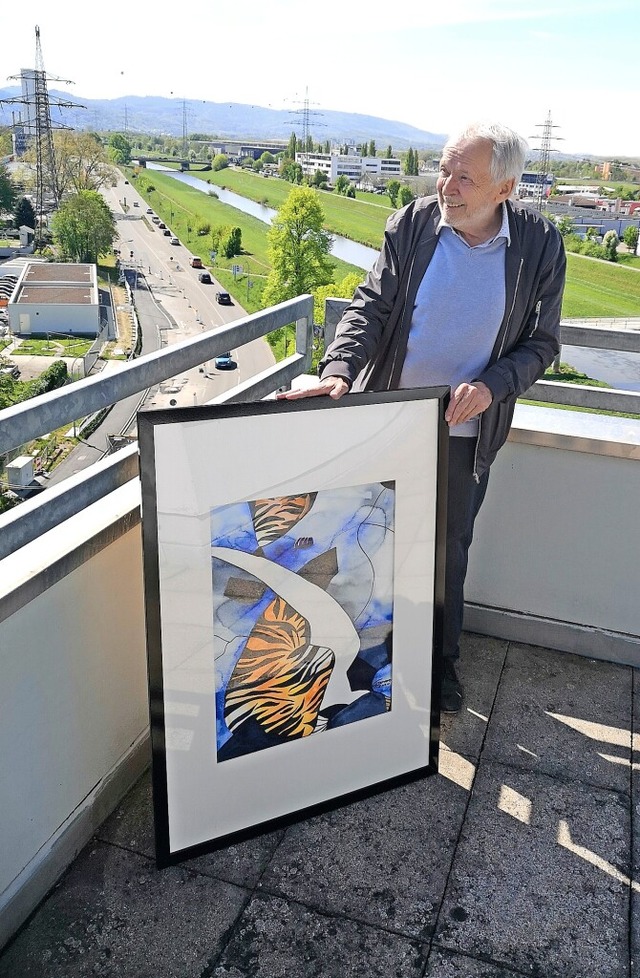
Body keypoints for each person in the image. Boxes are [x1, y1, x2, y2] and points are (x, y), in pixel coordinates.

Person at [278, 121, 566, 714]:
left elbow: (541, 344)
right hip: (390, 423)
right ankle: (358, 659)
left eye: (465, 177)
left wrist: (491, 387)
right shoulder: (412, 224)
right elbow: (371, 307)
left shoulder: (539, 245)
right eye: (443, 169)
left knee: (445, 557)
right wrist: (336, 371)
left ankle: (439, 669)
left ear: (505, 189)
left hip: (463, 438)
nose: (447, 186)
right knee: (365, 548)